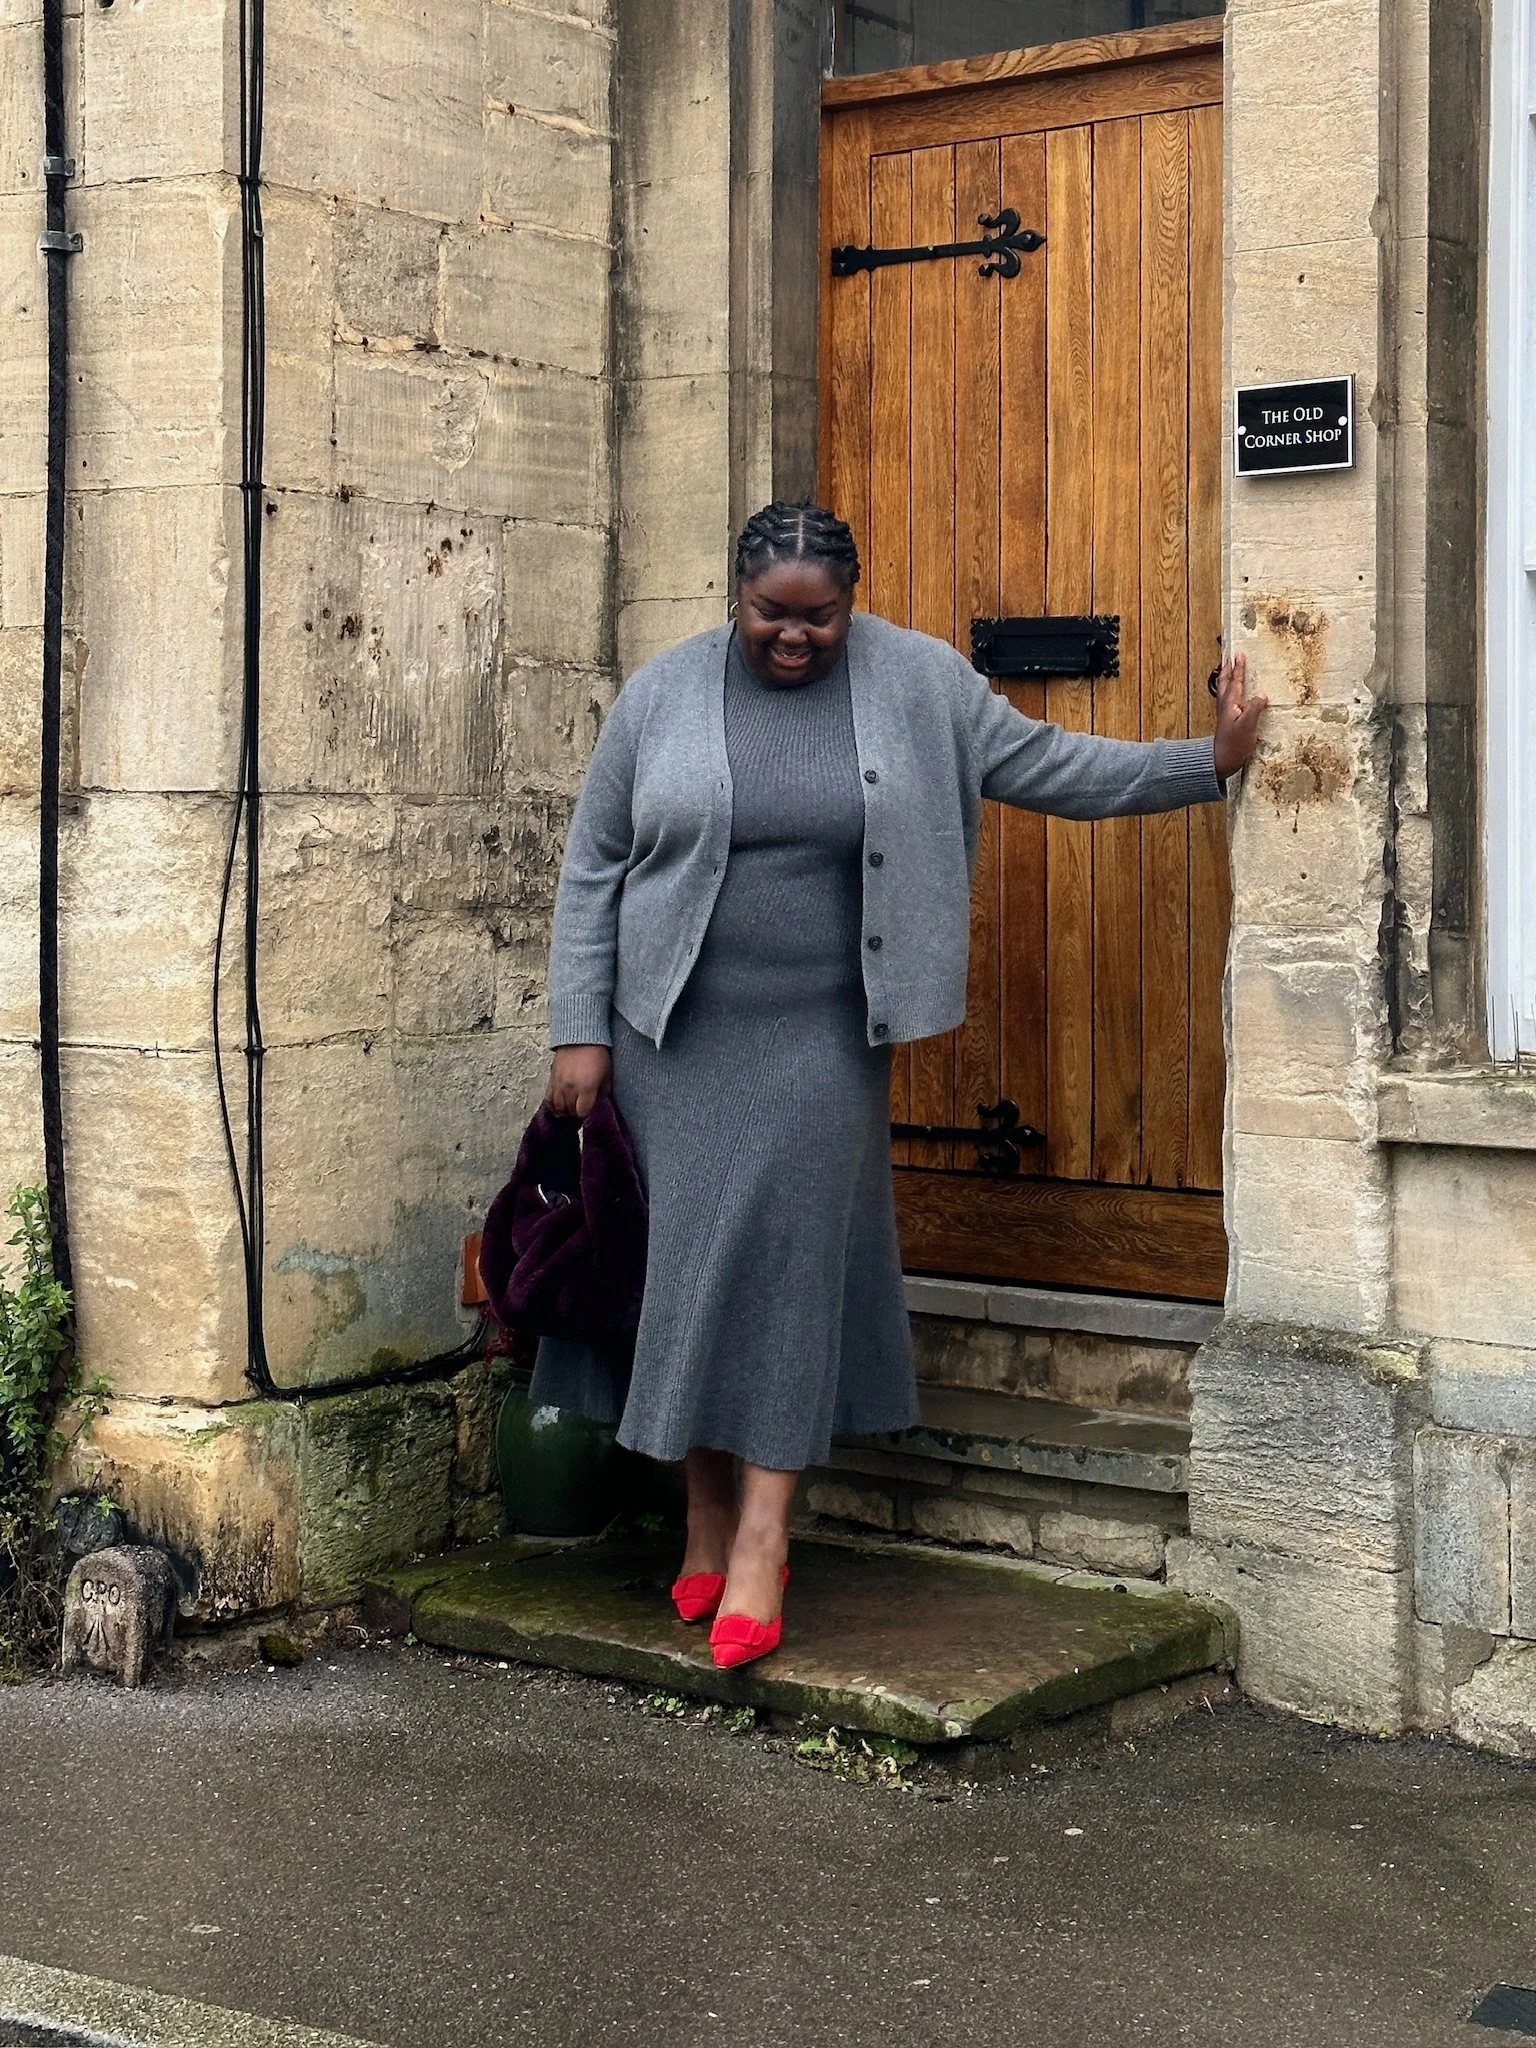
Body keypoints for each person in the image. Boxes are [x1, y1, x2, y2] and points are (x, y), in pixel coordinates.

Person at [536, 500, 1266, 1670]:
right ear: (735, 595)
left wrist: (1206, 761)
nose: (793, 636)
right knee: (687, 1274)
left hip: (823, 1037)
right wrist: (581, 1029)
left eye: (819, 617)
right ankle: (706, 1512)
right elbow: (595, 866)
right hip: (669, 1030)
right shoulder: (661, 693)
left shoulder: (921, 682)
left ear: (851, 601)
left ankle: (766, 1536)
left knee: (787, 1273)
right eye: (770, 613)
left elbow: (1053, 763)